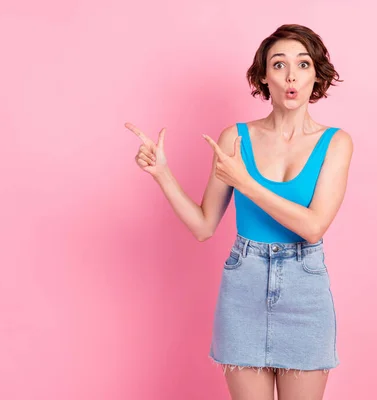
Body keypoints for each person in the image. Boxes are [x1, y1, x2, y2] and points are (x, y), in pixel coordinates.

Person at [126, 23, 353, 400]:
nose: (291, 75)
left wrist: (246, 183)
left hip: (305, 287)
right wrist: (162, 173)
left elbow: (313, 227)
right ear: (264, 77)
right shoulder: (235, 138)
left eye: (303, 64)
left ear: (317, 74)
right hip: (244, 284)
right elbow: (203, 226)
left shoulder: (336, 143)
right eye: (279, 65)